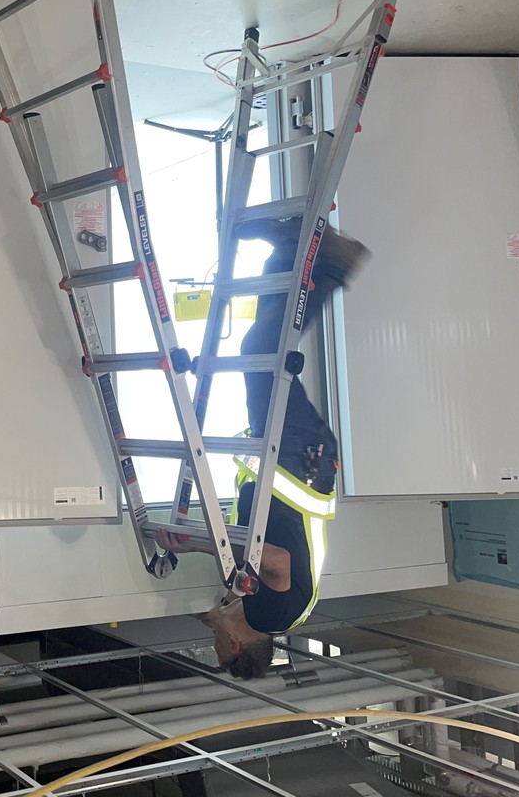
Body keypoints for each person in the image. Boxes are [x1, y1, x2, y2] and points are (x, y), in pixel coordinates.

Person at [156, 218, 370, 679]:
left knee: (260, 350)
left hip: (293, 463)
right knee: (261, 350)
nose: (214, 640)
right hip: (299, 466)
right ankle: (332, 265)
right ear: (235, 647)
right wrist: (198, 544)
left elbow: (250, 560)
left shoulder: (256, 606)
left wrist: (216, 602)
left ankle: (290, 251)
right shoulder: (270, 617)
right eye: (217, 646)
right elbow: (277, 561)